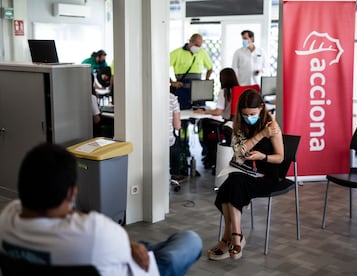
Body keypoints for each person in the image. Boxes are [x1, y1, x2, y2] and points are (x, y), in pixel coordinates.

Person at [0, 143, 202, 276]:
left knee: (143, 245)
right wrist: (127, 244)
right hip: (141, 269)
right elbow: (107, 237)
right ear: (72, 194)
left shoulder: (6, 222)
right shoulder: (94, 232)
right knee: (189, 240)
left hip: (105, 253)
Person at [207, 89, 283, 261]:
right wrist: (261, 135)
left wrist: (263, 156)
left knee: (232, 185)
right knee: (228, 188)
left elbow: (280, 158)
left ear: (262, 108)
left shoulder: (272, 126)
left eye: (253, 114)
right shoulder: (240, 124)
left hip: (266, 174)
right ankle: (235, 237)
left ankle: (230, 238)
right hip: (245, 172)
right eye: (246, 114)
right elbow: (239, 152)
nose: (249, 117)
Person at [194, 67, 239, 169]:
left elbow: (218, 112)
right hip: (236, 124)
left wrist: (204, 111)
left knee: (204, 122)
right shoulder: (239, 90)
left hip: (227, 124)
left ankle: (209, 155)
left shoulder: (224, 91)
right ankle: (210, 156)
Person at [170, 33, 213, 110]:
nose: (197, 48)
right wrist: (172, 82)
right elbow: (162, 68)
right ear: (190, 41)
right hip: (182, 89)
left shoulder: (202, 52)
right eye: (196, 45)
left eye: (199, 46)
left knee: (200, 113)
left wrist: (206, 81)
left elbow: (210, 68)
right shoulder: (177, 53)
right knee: (182, 113)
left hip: (198, 91)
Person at [169, 92, 185, 181]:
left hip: (150, 140)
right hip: (167, 141)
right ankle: (175, 173)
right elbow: (177, 126)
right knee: (176, 140)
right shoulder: (172, 98)